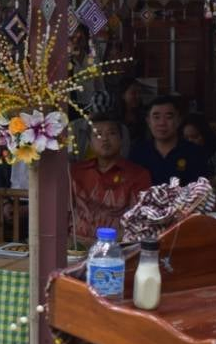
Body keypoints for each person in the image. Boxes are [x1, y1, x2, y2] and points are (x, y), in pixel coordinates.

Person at [71, 115, 152, 243]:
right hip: (75, 246)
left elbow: (140, 221)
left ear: (121, 140)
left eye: (112, 133)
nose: (105, 139)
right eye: (98, 134)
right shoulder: (76, 171)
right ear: (90, 143)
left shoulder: (138, 175)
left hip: (118, 247)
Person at [129, 95, 207, 185]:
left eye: (168, 117)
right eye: (156, 117)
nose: (162, 123)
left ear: (178, 120)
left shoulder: (194, 153)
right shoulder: (138, 153)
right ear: (148, 122)